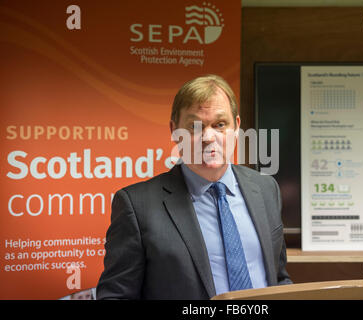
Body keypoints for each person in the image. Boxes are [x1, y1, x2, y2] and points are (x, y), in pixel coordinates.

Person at [96, 74, 292, 300]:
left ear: (237, 127)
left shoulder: (266, 189)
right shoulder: (137, 207)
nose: (209, 137)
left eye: (220, 124)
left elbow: (278, 279)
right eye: (195, 126)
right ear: (174, 130)